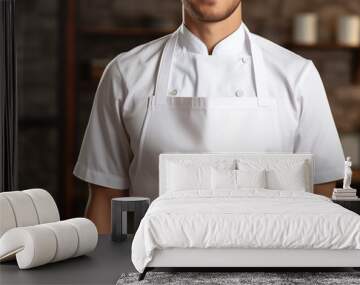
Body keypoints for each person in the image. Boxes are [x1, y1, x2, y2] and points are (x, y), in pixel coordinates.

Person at [73, 0, 345, 233]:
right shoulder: (125, 73)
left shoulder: (297, 76)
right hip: (152, 270)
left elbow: (320, 196)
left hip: (270, 268)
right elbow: (105, 198)